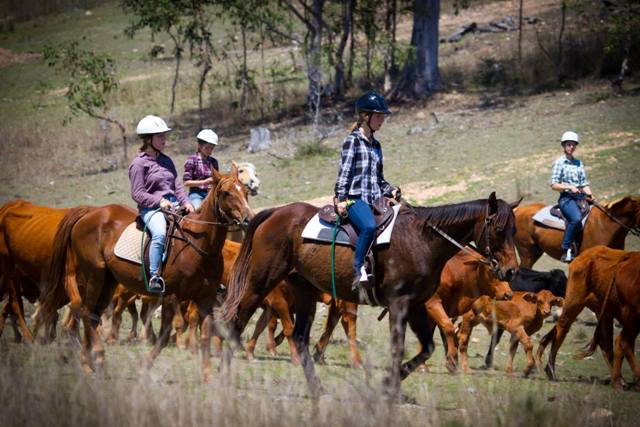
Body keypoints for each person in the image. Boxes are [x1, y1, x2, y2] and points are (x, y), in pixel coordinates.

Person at [334, 92, 399, 290]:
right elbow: (344, 173)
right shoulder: (352, 141)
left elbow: (378, 179)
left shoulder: (376, 145)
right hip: (354, 199)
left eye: (383, 117)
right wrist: (341, 199)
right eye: (378, 116)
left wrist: (392, 190)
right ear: (365, 116)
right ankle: (358, 269)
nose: (382, 120)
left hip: (375, 199)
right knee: (369, 227)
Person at [129, 115, 194, 292]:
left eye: (164, 136)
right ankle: (154, 277)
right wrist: (160, 201)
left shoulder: (166, 160)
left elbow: (178, 185)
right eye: (160, 137)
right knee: (159, 233)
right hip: (152, 209)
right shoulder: (139, 164)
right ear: (148, 140)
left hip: (174, 206)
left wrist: (187, 202)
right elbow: (137, 193)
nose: (164, 140)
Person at [550, 131, 594, 263]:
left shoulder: (579, 163)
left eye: (573, 145)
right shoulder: (559, 163)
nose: (571, 147)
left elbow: (584, 183)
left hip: (581, 197)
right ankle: (566, 248)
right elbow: (554, 184)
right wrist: (568, 187)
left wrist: (590, 194)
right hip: (566, 198)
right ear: (564, 146)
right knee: (575, 218)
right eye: (569, 144)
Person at [183, 129, 220, 209]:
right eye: (207, 148)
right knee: (197, 210)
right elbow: (186, 183)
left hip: (211, 193)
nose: (210, 151)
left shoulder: (214, 162)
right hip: (196, 194)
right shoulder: (191, 160)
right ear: (199, 146)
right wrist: (204, 182)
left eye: (212, 148)